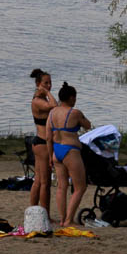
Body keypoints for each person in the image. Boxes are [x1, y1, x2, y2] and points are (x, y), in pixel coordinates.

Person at [46, 82, 92, 228]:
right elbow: (88, 125)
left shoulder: (52, 112)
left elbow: (48, 137)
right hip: (70, 150)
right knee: (80, 187)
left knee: (61, 187)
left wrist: (49, 156)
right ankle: (69, 220)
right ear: (72, 98)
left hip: (56, 151)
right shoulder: (75, 113)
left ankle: (61, 219)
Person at [27, 69, 54, 211]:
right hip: (42, 143)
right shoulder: (38, 101)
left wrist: (45, 92)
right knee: (45, 183)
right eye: (46, 83)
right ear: (38, 84)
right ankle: (45, 215)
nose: (49, 85)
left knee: (38, 181)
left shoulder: (41, 99)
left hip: (40, 142)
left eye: (50, 83)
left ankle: (33, 211)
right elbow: (54, 106)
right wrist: (47, 92)